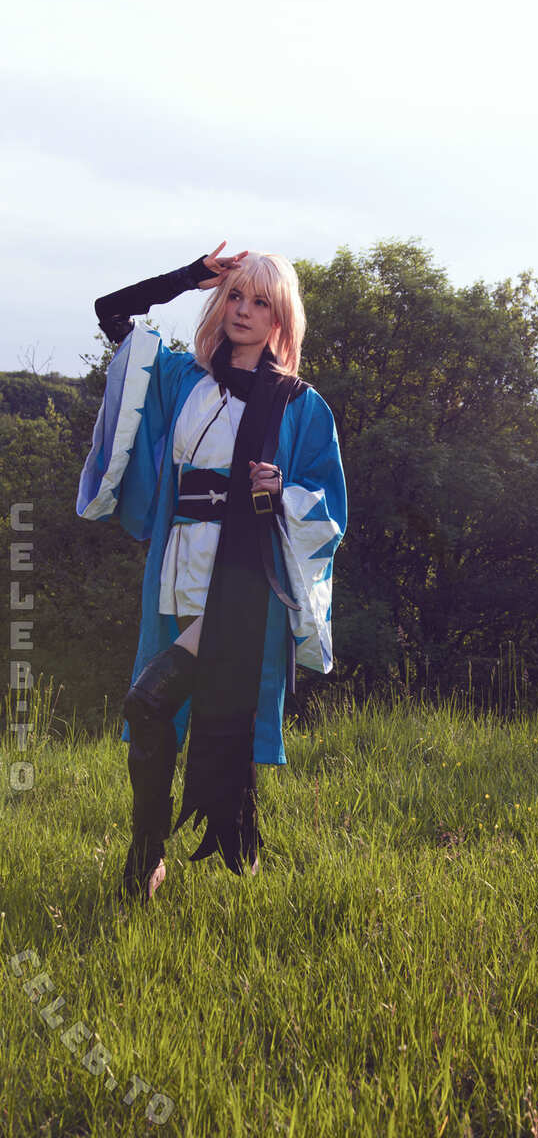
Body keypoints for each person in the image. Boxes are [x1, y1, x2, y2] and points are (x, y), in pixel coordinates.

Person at [77, 242, 347, 903]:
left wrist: (282, 491)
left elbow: (329, 507)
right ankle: (169, 849)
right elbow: (111, 312)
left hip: (243, 583)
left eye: (261, 302)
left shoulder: (301, 405)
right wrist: (184, 277)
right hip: (177, 570)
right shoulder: (182, 380)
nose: (244, 311)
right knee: (161, 718)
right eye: (234, 296)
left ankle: (146, 859)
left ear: (281, 317)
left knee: (148, 701)